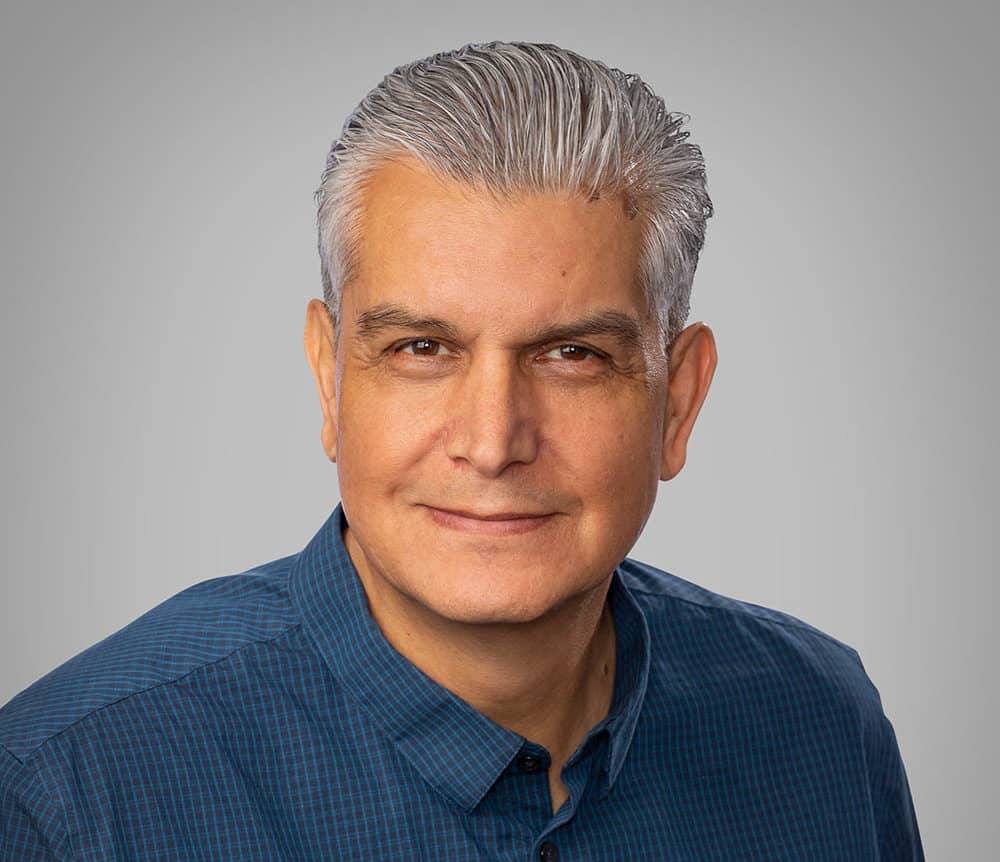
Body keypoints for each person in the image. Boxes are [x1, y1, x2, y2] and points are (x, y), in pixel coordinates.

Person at [0, 40, 923, 860]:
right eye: (421, 349)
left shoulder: (822, 726)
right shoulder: (69, 795)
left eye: (572, 356)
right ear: (330, 381)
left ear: (677, 400)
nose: (492, 444)